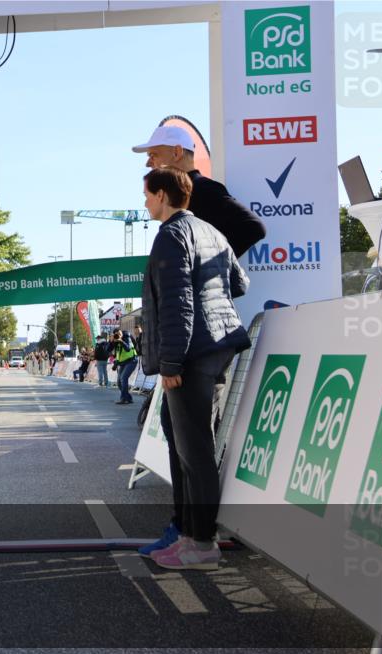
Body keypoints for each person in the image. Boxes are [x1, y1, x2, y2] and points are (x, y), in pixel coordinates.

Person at [133, 125, 264, 558]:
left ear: (176, 155)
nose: (148, 163)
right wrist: (211, 279)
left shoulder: (180, 225)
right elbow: (238, 284)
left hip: (193, 348)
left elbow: (178, 305)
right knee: (187, 440)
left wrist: (169, 363)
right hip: (218, 340)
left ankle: (198, 539)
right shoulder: (205, 231)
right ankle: (189, 529)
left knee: (194, 448)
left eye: (153, 156)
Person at [132, 125, 265, 258]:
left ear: (177, 152)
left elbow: (253, 228)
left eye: (153, 155)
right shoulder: (183, 192)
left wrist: (212, 266)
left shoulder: (203, 189)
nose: (148, 163)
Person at [111, 329, 138, 404]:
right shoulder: (115, 341)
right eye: (116, 335)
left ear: (121, 332)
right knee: (119, 382)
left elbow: (128, 349)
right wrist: (111, 342)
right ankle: (128, 398)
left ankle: (123, 399)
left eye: (119, 334)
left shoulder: (126, 337)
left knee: (123, 378)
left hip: (132, 360)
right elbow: (113, 353)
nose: (118, 336)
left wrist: (121, 341)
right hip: (123, 362)